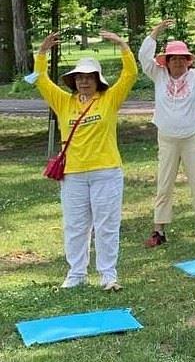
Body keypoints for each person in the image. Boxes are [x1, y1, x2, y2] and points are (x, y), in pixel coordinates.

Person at [34, 30, 137, 291]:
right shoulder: (63, 101)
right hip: (74, 174)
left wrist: (122, 45)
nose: (84, 82)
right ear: (73, 80)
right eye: (80, 77)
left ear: (98, 80)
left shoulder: (109, 99)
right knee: (76, 226)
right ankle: (76, 274)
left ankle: (108, 275)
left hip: (106, 171)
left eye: (89, 77)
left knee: (106, 226)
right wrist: (42, 52)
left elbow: (130, 75)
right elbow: (41, 80)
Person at [139, 20, 195, 247]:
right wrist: (156, 31)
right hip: (166, 138)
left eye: (181, 58)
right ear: (166, 61)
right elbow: (144, 56)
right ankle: (159, 231)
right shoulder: (159, 75)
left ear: (188, 61)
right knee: (164, 184)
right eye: (173, 58)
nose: (177, 62)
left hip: (191, 137)